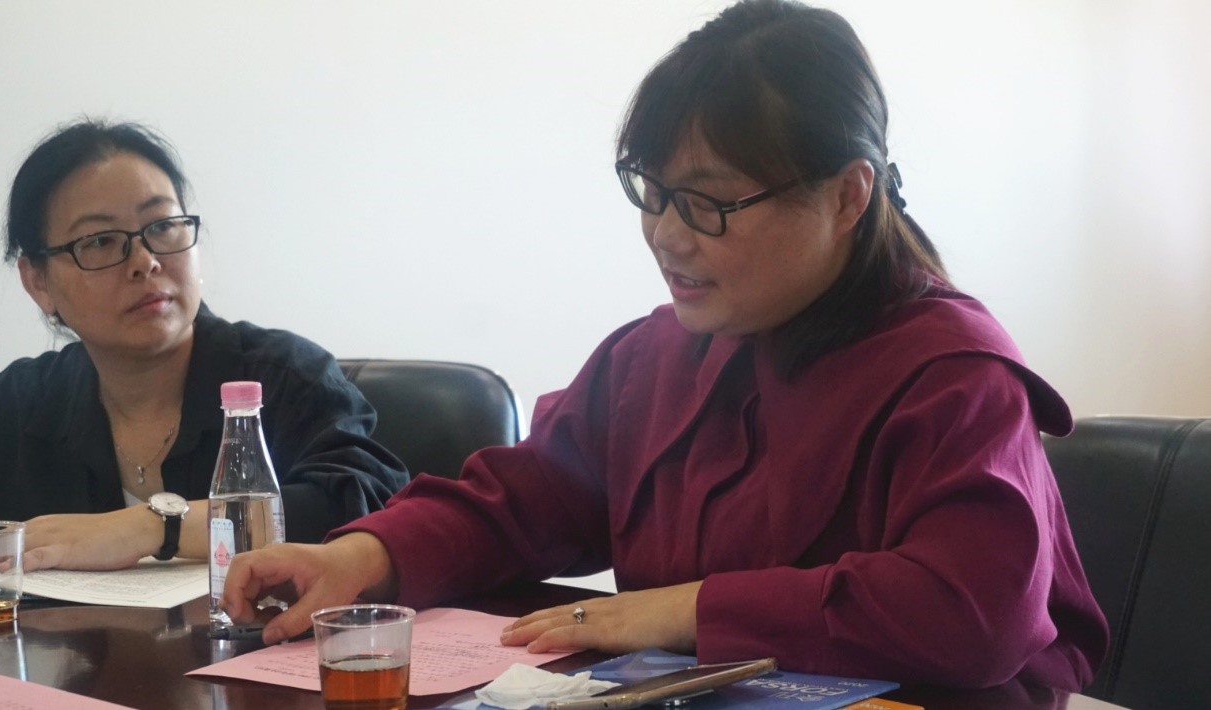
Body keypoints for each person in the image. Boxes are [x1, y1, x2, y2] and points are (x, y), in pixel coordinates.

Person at [221, 0, 1108, 690]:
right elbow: (523, 499)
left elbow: (971, 611)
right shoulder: (656, 356)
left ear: (848, 196)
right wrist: (362, 557)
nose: (667, 236)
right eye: (652, 191)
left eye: (710, 204)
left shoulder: (951, 372)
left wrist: (685, 610)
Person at [0, 119, 409, 571]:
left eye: (163, 226)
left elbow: (371, 508)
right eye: (101, 241)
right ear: (38, 282)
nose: (145, 261)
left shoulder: (287, 378)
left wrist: (154, 527)